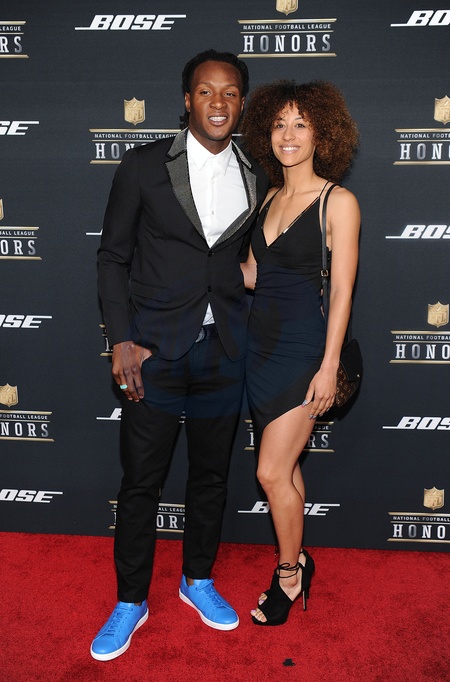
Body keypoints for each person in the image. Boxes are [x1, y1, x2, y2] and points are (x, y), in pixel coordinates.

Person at [91, 50, 268, 660]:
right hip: (153, 354)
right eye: (206, 91)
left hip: (224, 352)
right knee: (142, 481)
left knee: (212, 478)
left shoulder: (256, 172)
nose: (219, 102)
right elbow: (112, 257)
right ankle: (130, 601)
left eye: (230, 92)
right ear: (187, 100)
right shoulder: (143, 165)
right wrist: (121, 339)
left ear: (242, 102)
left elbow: (249, 258)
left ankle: (197, 579)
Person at [239, 80, 360, 625]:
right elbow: (254, 275)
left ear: (322, 134)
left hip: (304, 353)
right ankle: (300, 558)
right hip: (258, 351)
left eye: (301, 124)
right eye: (279, 124)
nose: (288, 135)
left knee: (269, 473)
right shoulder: (267, 197)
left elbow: (343, 292)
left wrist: (328, 367)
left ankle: (289, 574)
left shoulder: (339, 202)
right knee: (285, 471)